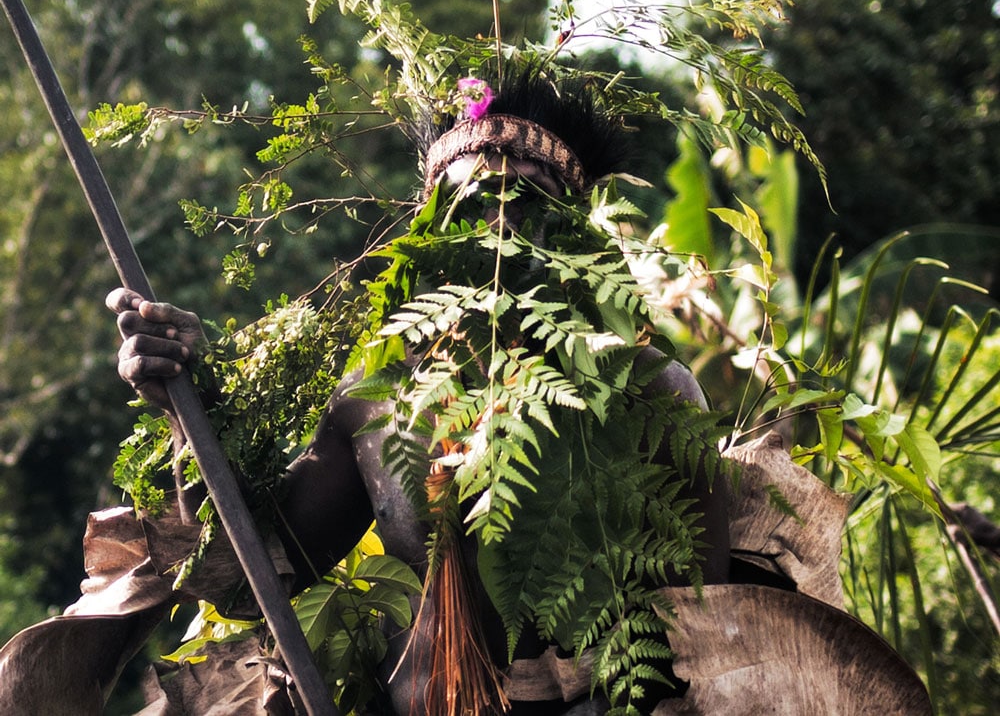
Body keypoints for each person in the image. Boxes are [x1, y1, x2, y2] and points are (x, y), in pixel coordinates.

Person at [105, 67, 731, 715]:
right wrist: (192, 411)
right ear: (428, 236)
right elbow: (253, 576)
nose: (497, 227)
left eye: (528, 202)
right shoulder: (375, 394)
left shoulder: (652, 397)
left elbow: (704, 650)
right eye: (468, 205)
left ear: (573, 239)